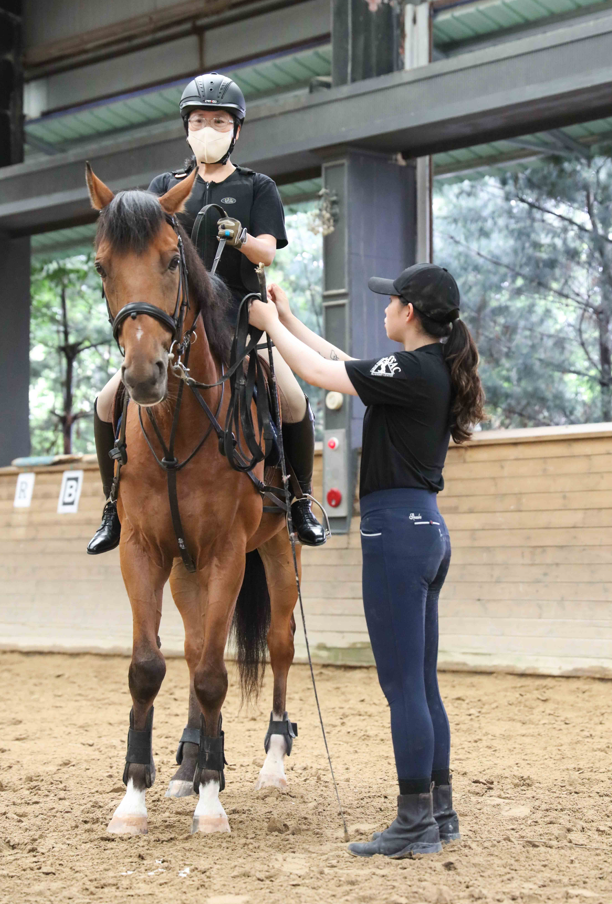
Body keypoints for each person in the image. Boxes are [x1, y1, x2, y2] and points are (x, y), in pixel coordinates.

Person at [248, 263, 485, 859]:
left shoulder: (411, 369)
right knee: (421, 683)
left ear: (410, 313)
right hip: (425, 527)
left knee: (402, 685)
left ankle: (413, 822)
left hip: (396, 533)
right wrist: (291, 316)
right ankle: (440, 810)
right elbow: (340, 360)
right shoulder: (422, 368)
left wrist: (269, 326)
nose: (383, 308)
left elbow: (317, 372)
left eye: (390, 300)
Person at [87, 72, 326, 555]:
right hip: (179, 324)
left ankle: (299, 499)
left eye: (219, 121)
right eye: (199, 120)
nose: (208, 128)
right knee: (106, 401)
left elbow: (266, 254)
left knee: (295, 399)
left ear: (237, 130)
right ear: (186, 126)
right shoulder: (164, 187)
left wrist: (238, 237)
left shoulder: (258, 186)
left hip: (241, 315)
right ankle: (113, 505)